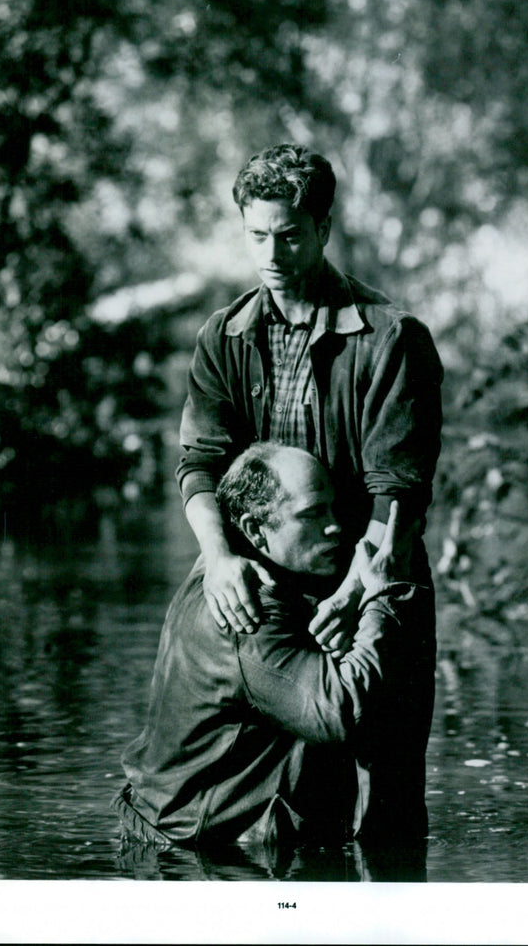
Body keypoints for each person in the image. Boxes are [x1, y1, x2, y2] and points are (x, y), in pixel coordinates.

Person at [175, 144, 443, 843]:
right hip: (265, 589)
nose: (271, 252)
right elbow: (198, 466)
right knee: (295, 804)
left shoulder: (391, 339)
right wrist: (220, 559)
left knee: (387, 811)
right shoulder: (223, 337)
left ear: (323, 228)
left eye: (289, 234)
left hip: (372, 577)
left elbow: (399, 491)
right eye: (256, 234)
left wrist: (359, 589)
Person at [113, 443, 423, 873]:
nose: (336, 527)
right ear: (256, 530)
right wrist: (382, 595)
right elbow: (341, 712)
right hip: (198, 857)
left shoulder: (222, 570)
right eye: (313, 515)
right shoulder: (249, 612)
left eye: (333, 510)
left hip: (179, 840)